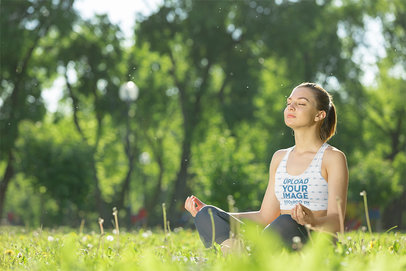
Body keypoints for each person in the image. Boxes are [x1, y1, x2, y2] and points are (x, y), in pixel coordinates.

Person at [184, 82, 349, 251]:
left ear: (319, 115)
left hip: (315, 243)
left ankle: (249, 258)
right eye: (289, 103)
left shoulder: (332, 157)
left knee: (287, 220)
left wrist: (310, 221)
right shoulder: (280, 158)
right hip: (277, 237)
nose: (291, 107)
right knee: (207, 214)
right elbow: (265, 216)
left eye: (301, 104)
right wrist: (215, 214)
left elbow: (337, 221)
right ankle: (235, 254)